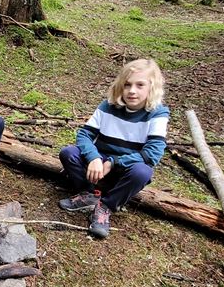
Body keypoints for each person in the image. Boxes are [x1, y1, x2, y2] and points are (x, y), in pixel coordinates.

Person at [58, 58, 170, 238]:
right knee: (69, 153)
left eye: (140, 85)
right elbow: (84, 135)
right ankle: (89, 194)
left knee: (143, 172)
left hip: (125, 169)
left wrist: (114, 162)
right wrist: (94, 157)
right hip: (98, 165)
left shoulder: (157, 113)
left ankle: (106, 207)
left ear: (152, 87)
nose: (132, 91)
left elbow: (153, 154)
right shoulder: (108, 106)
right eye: (127, 85)